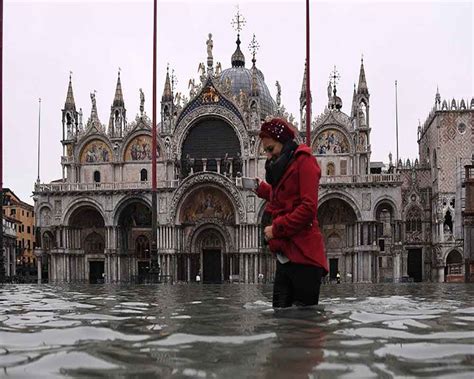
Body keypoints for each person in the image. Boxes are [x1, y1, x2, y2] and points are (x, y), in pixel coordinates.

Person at [255, 117, 328, 308]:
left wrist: (276, 230)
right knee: (280, 315)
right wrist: (261, 188)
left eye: (271, 149)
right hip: (286, 255)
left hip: (305, 256)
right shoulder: (284, 166)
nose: (268, 156)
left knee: (304, 322)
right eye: (265, 151)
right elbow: (286, 197)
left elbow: (307, 208)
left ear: (284, 142)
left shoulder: (305, 161)